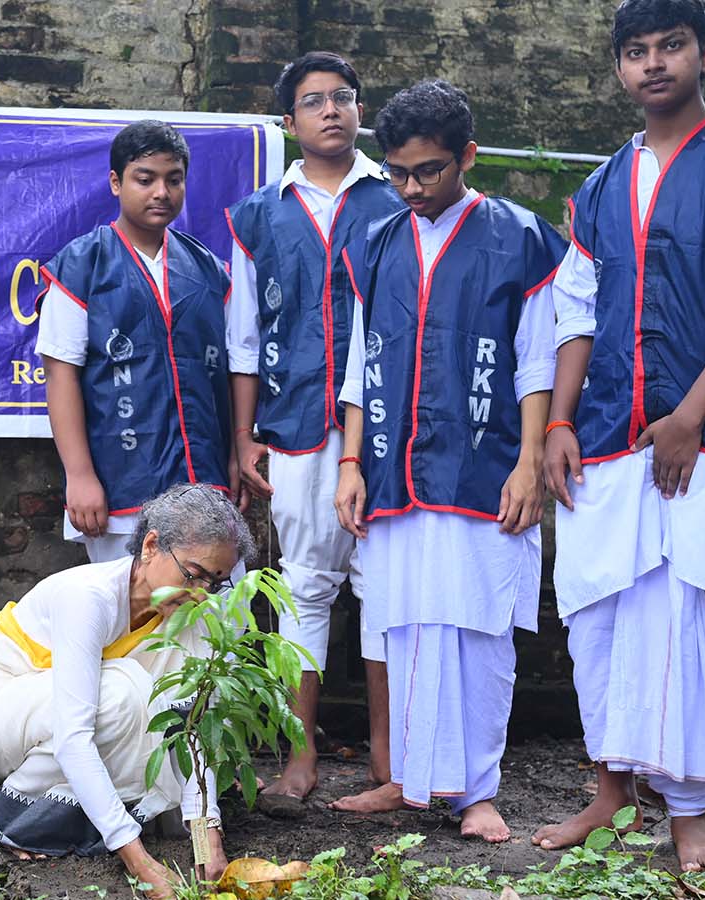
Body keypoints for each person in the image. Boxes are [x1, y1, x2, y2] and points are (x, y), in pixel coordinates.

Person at [531, 0, 705, 873]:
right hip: (611, 433)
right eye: (636, 51)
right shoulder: (597, 190)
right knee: (601, 614)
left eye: (671, 45)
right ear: (619, 67)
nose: (653, 63)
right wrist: (558, 421)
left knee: (704, 615)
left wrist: (690, 418)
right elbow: (576, 314)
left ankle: (690, 813)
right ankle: (611, 794)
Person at [329, 80, 566, 843]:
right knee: (400, 622)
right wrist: (350, 462)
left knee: (478, 627)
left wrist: (529, 461)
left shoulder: (519, 238)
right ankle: (407, 777)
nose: (410, 187)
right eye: (397, 172)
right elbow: (361, 362)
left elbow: (538, 360)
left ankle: (476, 792)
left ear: (468, 155)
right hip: (393, 467)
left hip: (483, 467)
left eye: (427, 170)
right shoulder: (376, 242)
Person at [225, 51, 403, 800]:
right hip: (297, 419)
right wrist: (244, 435)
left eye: (343, 96)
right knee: (305, 585)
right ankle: (299, 757)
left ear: (360, 110)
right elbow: (243, 337)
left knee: (388, 585)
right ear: (288, 121)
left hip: (392, 425)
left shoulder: (396, 196)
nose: (331, 109)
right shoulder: (259, 215)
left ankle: (390, 758)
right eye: (313, 100)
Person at [0, 483, 250, 899]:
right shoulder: (89, 598)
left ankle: (77, 812)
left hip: (50, 719)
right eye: (192, 575)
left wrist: (208, 840)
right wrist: (139, 863)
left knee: (157, 728)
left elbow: (188, 729)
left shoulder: (193, 616)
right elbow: (74, 734)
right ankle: (17, 817)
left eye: (215, 582)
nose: (200, 594)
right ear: (151, 546)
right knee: (123, 694)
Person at [37, 120, 239, 564]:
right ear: (116, 182)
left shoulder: (209, 270)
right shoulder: (81, 266)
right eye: (145, 180)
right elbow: (59, 374)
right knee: (131, 604)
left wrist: (233, 458)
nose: (161, 193)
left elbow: (226, 375)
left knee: (215, 603)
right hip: (120, 483)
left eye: (174, 180)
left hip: (203, 479)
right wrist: (80, 475)